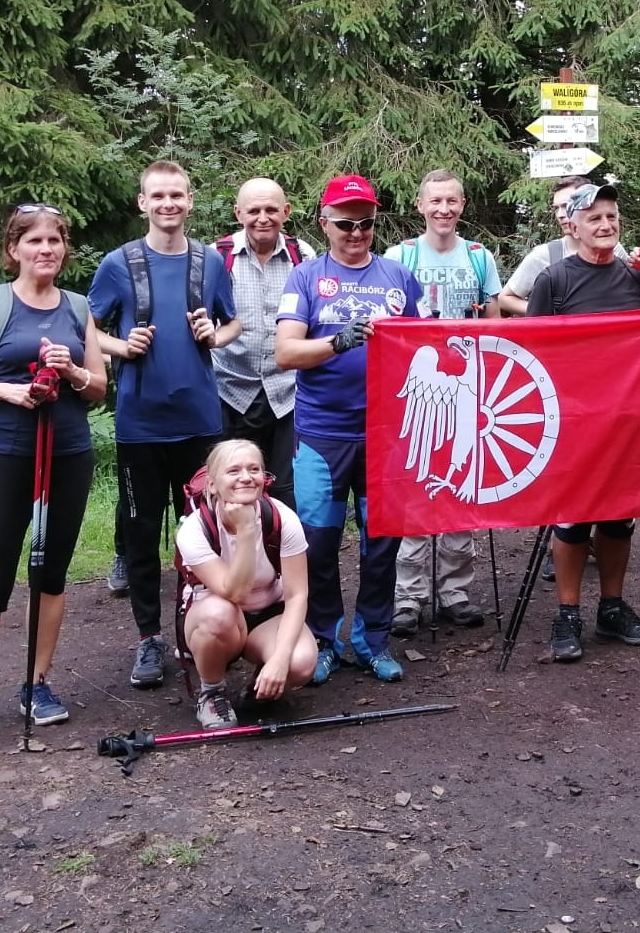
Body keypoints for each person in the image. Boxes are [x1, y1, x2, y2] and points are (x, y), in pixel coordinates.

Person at [0, 204, 107, 749]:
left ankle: (36, 684)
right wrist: (9, 391)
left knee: (51, 576)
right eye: (34, 241)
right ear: (14, 249)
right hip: (4, 455)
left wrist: (72, 370)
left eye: (55, 240)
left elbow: (98, 387)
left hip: (68, 453)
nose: (46, 249)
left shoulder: (78, 307)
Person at [527, 182, 640, 663]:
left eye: (611, 217)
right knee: (572, 517)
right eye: (594, 218)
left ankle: (612, 607)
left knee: (620, 515)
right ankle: (567, 613)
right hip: (573, 422)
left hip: (628, 419)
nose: (605, 225)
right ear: (573, 225)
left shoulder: (638, 279)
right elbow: (533, 351)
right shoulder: (554, 281)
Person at [88, 161, 241, 690]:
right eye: (158, 196)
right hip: (141, 424)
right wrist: (119, 345)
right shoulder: (119, 263)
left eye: (177, 194)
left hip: (199, 421)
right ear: (143, 203)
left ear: (190, 201)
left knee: (202, 530)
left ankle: (198, 627)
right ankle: (149, 638)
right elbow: (85, 327)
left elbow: (233, 322)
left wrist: (215, 335)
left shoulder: (210, 262)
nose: (168, 204)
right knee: (141, 531)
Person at [275, 174, 427, 684]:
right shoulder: (305, 277)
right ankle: (323, 639)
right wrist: (337, 342)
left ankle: (372, 640)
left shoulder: (399, 277)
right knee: (317, 541)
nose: (356, 232)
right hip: (322, 433)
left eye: (365, 223)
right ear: (324, 224)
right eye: (345, 223)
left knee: (381, 544)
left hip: (385, 434)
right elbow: (285, 353)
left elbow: (423, 344)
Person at [386, 169, 502, 635]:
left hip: (468, 386)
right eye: (435, 201)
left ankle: (455, 591)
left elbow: (494, 324)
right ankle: (408, 595)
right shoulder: (401, 256)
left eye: (451, 201)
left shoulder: (478, 257)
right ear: (420, 205)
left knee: (461, 480)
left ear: (463, 205)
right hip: (418, 386)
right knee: (416, 485)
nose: (443, 209)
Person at [176, 439, 318, 729]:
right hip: (215, 617)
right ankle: (212, 692)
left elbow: (297, 595)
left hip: (267, 615)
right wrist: (245, 529)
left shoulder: (282, 518)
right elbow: (235, 593)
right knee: (219, 614)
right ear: (212, 484)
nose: (246, 477)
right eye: (234, 471)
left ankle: (260, 687)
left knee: (301, 663)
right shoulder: (195, 529)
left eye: (254, 469)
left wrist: (279, 660)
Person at [213, 178, 316, 514]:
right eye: (253, 210)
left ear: (286, 211)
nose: (263, 218)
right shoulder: (218, 256)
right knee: (230, 486)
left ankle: (285, 547)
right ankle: (231, 547)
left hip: (287, 391)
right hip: (229, 389)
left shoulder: (303, 255)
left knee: (287, 489)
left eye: (271, 209)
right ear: (238, 213)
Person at [499, 175, 629, 317]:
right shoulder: (545, 255)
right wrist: (552, 312)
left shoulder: (614, 249)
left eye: (566, 206)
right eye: (556, 208)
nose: (560, 215)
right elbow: (505, 299)